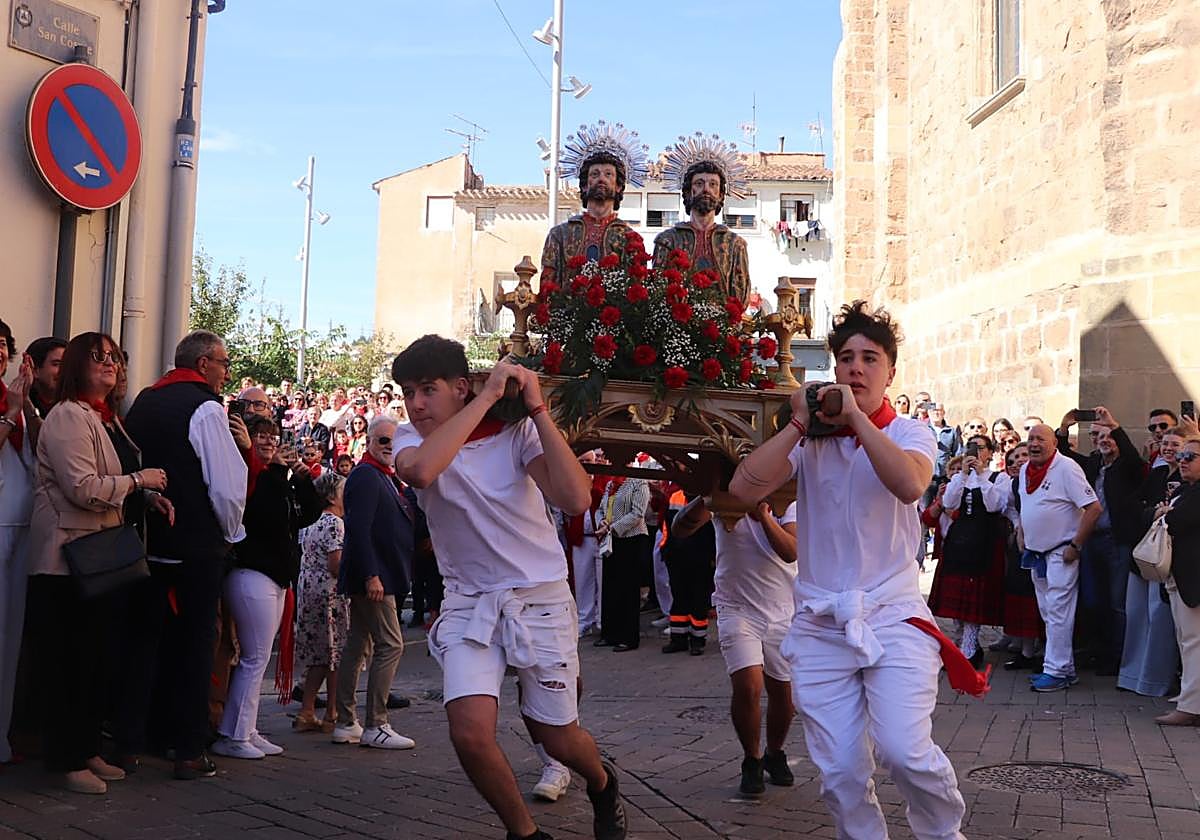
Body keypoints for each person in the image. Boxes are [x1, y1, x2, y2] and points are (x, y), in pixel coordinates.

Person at [729, 301, 976, 839]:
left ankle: (942, 833)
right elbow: (743, 489)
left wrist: (857, 419)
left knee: (903, 751)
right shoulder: (810, 440)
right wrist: (799, 421)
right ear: (833, 369)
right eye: (846, 358)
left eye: (870, 358)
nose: (856, 368)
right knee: (841, 773)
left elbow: (910, 485)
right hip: (820, 622)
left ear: (890, 372)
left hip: (892, 615)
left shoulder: (910, 432)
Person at [392, 337, 626, 840]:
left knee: (557, 738)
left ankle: (603, 781)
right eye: (408, 392)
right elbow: (421, 471)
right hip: (469, 601)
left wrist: (536, 406)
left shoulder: (517, 434)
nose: (416, 403)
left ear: (459, 386)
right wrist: (484, 399)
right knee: (471, 735)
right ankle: (524, 833)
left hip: (538, 597)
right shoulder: (410, 440)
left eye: (427, 390)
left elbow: (574, 496)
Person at [27, 333, 171, 794]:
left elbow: (108, 480)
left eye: (114, 356)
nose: (109, 364)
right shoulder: (69, 415)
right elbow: (84, 487)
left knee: (96, 662)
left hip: (98, 559)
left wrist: (145, 496)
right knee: (72, 664)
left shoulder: (104, 418)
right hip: (68, 561)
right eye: (97, 357)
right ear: (74, 366)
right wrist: (138, 480)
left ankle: (86, 749)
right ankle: (67, 758)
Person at [119, 330, 248, 780]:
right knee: (195, 645)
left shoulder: (144, 401)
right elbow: (227, 487)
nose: (226, 372)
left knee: (142, 643)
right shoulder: (207, 408)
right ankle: (189, 749)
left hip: (147, 541)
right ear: (203, 364)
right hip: (193, 545)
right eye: (223, 363)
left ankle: (131, 741)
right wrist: (230, 533)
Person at [672, 497, 799, 798]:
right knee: (748, 686)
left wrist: (764, 515)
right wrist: (706, 499)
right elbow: (679, 529)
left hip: (783, 609)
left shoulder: (788, 500)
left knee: (784, 695)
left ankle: (774, 752)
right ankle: (752, 759)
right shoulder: (723, 496)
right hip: (735, 606)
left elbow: (791, 551)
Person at [212, 416, 320, 760]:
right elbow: (268, 514)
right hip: (252, 572)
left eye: (273, 437)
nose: (270, 443)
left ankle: (246, 727)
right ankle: (233, 733)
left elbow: (306, 514)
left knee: (257, 659)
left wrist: (300, 476)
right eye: (261, 437)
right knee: (254, 657)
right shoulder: (251, 475)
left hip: (274, 575)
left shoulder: (275, 478)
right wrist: (273, 469)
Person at [332, 415, 417, 751]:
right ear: (368, 442)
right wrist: (371, 574)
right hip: (373, 576)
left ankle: (346, 720)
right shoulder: (368, 476)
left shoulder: (385, 478)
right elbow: (358, 528)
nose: (389, 446)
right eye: (383, 440)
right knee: (391, 644)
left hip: (377, 573)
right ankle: (376, 723)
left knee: (359, 644)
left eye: (393, 441)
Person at [1054, 408, 1146, 677]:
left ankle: (1118, 658)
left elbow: (1130, 454)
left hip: (1117, 542)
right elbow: (1065, 456)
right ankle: (1098, 650)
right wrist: (1063, 429)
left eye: (1108, 437)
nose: (1103, 440)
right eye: (1097, 436)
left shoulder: (1127, 467)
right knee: (1094, 600)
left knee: (1117, 602)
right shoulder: (1093, 465)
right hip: (1092, 541)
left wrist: (1114, 426)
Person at [1016, 425, 1102, 692]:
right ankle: (1063, 668)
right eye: (1030, 439)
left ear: (1054, 443)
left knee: (1058, 612)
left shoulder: (1066, 468)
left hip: (1060, 552)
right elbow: (1027, 505)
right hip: (1036, 554)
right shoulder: (1024, 470)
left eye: (1041, 439)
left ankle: (1055, 670)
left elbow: (1093, 508)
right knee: (1048, 612)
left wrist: (1076, 544)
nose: (1034, 444)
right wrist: (1022, 531)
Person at [927, 434, 1008, 667]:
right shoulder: (959, 478)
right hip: (959, 542)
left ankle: (970, 646)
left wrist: (981, 475)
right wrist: (962, 474)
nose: (975, 453)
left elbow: (995, 506)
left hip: (983, 542)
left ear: (990, 453)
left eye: (981, 448)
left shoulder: (997, 478)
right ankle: (960, 641)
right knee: (957, 597)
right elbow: (950, 502)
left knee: (974, 598)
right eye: (971, 448)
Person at [540, 121, 648, 288]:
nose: (601, 179)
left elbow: (638, 290)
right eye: (595, 174)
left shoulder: (630, 239)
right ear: (585, 184)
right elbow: (547, 286)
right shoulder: (560, 235)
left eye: (608, 174)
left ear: (618, 186)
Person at [1123, 429, 1187, 697]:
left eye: (1176, 445)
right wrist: (1155, 511)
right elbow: (1134, 506)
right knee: (1141, 615)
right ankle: (1139, 677)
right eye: (1165, 444)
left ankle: (1160, 680)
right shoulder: (1158, 474)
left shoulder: (1188, 479)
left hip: (1175, 557)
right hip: (1149, 554)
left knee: (1165, 621)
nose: (1169, 448)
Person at [653, 134, 750, 305]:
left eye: (713, 184)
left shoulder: (735, 244)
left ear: (720, 195)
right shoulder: (668, 240)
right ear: (689, 191)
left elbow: (740, 296)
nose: (706, 189)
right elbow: (657, 289)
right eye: (699, 183)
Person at [0, 320, 36, 766]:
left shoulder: (16, 398)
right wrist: (10, 411)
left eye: (4, 345)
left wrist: (25, 406)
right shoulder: (9, 402)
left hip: (21, 521)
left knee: (11, 637)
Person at [295, 472, 348, 733]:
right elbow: (336, 564)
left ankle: (307, 710)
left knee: (319, 654)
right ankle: (332, 712)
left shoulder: (309, 523)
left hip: (309, 590)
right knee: (336, 654)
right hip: (330, 594)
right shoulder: (335, 523)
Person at [1156, 435, 1200, 725]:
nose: (1181, 461)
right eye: (1181, 456)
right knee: (1186, 640)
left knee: (1194, 640)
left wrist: (1163, 514)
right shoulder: (1186, 489)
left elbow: (1174, 521)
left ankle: (1191, 707)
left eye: (1190, 457)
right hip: (1180, 575)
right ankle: (1189, 696)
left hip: (1193, 577)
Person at [596, 467, 650, 653]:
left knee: (627, 589)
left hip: (631, 540)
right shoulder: (611, 484)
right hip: (612, 540)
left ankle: (628, 637)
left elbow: (638, 513)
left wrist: (613, 528)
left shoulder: (638, 482)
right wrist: (602, 521)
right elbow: (600, 509)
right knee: (610, 586)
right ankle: (609, 633)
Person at [24, 336, 66, 421]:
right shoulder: (15, 402)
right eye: (57, 364)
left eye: (67, 364)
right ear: (35, 370)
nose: (64, 371)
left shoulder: (74, 405)